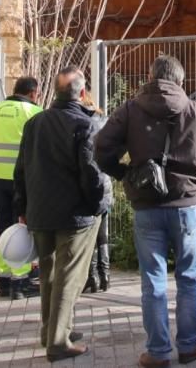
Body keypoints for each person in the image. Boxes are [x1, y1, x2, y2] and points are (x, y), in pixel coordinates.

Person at [95, 55, 196, 368]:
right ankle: (189, 346)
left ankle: (157, 352)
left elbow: (100, 149)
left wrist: (124, 173)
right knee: (189, 277)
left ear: (150, 77)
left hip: (147, 206)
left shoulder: (130, 110)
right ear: (180, 80)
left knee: (152, 280)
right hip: (185, 207)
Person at [14, 67, 107, 363]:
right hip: (75, 215)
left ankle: (51, 329)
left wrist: (23, 208)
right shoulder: (85, 124)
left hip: (40, 211)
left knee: (49, 274)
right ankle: (57, 342)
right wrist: (97, 205)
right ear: (81, 93)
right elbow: (91, 174)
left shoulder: (34, 123)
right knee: (69, 277)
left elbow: (21, 170)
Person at [0, 76, 43, 299]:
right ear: (32, 93)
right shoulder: (33, 112)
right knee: (21, 227)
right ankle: (20, 281)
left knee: (2, 227)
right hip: (22, 179)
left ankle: (2, 277)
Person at [82, 95, 112, 294]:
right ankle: (105, 276)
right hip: (105, 182)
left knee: (89, 234)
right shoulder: (105, 122)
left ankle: (91, 276)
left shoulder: (81, 124)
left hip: (87, 184)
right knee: (103, 234)